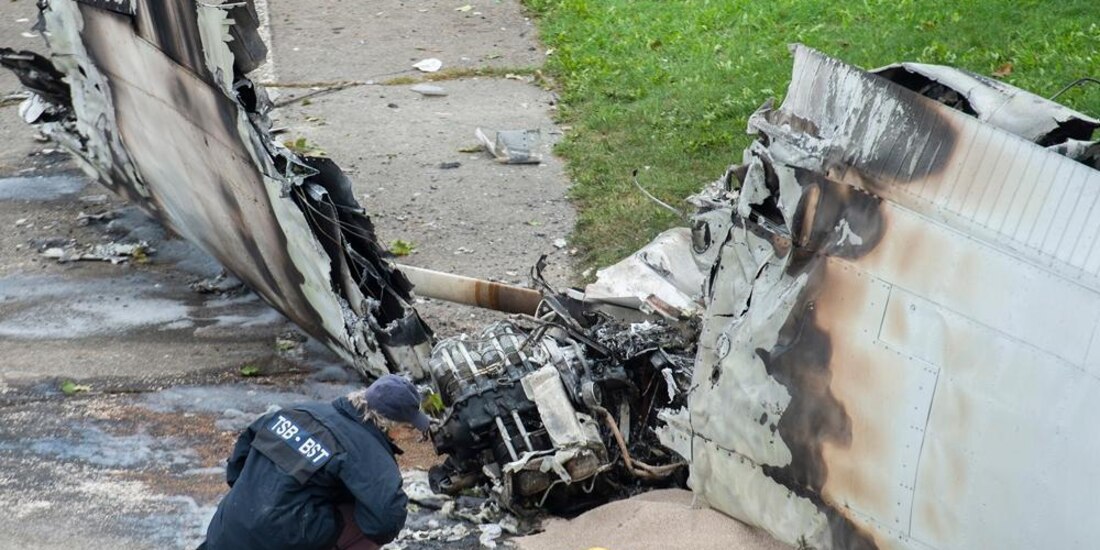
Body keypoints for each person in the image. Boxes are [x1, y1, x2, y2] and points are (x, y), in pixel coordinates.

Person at [200, 374, 431, 550]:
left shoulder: (297, 412)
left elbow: (236, 467)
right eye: (410, 428)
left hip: (225, 532)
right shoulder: (370, 453)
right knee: (365, 521)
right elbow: (385, 523)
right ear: (394, 426)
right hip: (280, 540)